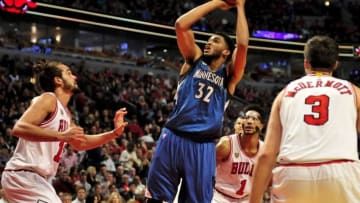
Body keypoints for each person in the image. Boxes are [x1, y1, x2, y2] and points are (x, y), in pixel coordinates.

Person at [145, 0, 249, 202]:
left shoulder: (228, 76)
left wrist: (240, 6)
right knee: (155, 198)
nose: (209, 42)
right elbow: (181, 25)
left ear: (227, 52)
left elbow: (243, 45)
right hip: (174, 136)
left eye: (216, 41)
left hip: (203, 146)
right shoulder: (193, 60)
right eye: (208, 40)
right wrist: (218, 1)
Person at [249, 35, 360, 203]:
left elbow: (267, 155)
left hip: (294, 174)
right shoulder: (354, 92)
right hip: (341, 172)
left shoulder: (285, 93)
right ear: (335, 64)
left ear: (306, 63)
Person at [1, 60, 128, 203]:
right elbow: (20, 128)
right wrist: (60, 136)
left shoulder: (66, 114)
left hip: (39, 180)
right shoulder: (48, 99)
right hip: (24, 176)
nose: (74, 77)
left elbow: (80, 143)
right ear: (58, 80)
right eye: (68, 73)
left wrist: (114, 133)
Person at [212, 104, 265, 203]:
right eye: (246, 118)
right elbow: (206, 169)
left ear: (261, 126)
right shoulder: (226, 145)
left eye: (254, 119)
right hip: (219, 196)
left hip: (245, 199)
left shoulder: (265, 151)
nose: (249, 121)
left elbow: (262, 183)